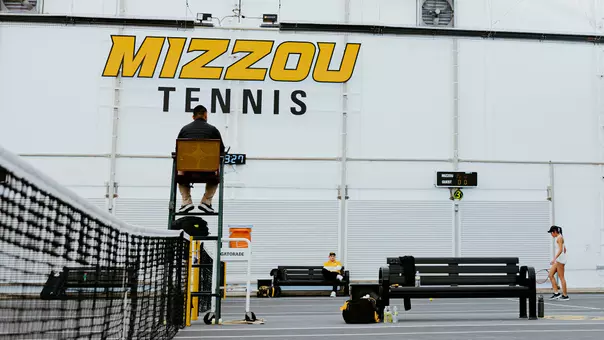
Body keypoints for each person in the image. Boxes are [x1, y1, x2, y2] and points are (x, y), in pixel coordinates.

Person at [176, 104, 225, 214]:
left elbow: (178, 151)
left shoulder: (184, 130)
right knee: (217, 174)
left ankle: (186, 202)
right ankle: (206, 202)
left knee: (179, 171)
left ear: (193, 117)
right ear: (205, 115)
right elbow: (221, 150)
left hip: (187, 172)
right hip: (208, 173)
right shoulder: (213, 130)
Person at [547, 225, 569, 301]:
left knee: (561, 277)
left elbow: (560, 250)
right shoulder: (559, 237)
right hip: (559, 260)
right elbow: (564, 249)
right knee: (550, 274)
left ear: (555, 232)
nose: (551, 234)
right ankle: (556, 293)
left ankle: (565, 295)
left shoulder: (559, 238)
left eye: (551, 233)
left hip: (560, 260)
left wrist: (554, 259)